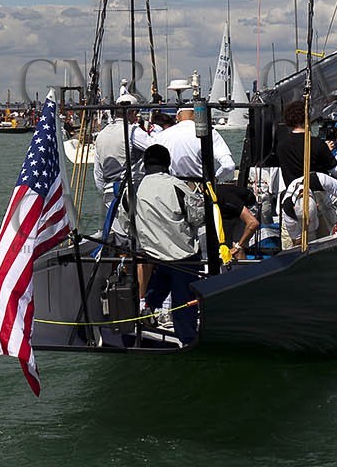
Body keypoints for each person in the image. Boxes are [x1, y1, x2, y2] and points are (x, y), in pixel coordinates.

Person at [121, 145, 204, 329]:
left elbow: (126, 223)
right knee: (183, 304)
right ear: (168, 163)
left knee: (161, 278)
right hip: (183, 256)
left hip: (153, 254)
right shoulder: (177, 186)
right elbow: (197, 218)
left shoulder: (132, 190)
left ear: (144, 165)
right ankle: (187, 336)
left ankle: (148, 308)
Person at [92, 96, 149, 231]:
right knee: (136, 233)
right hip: (132, 191)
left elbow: (98, 173)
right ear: (132, 112)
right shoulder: (133, 132)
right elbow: (157, 149)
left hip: (109, 193)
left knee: (120, 234)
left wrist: (104, 189)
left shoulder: (101, 134)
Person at [278, 167, 337, 246]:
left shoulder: (320, 179)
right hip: (295, 224)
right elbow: (298, 242)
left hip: (324, 208)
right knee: (297, 251)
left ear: (316, 205)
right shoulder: (288, 210)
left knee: (334, 242)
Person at [158, 107, 237, 183]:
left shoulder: (162, 135)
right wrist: (215, 178)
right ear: (196, 115)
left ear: (177, 117)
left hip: (173, 189)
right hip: (200, 190)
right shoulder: (210, 133)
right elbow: (228, 165)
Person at [275, 100, 337, 190]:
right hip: (317, 194)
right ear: (307, 119)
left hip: (293, 193)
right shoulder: (317, 144)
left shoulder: (281, 146)